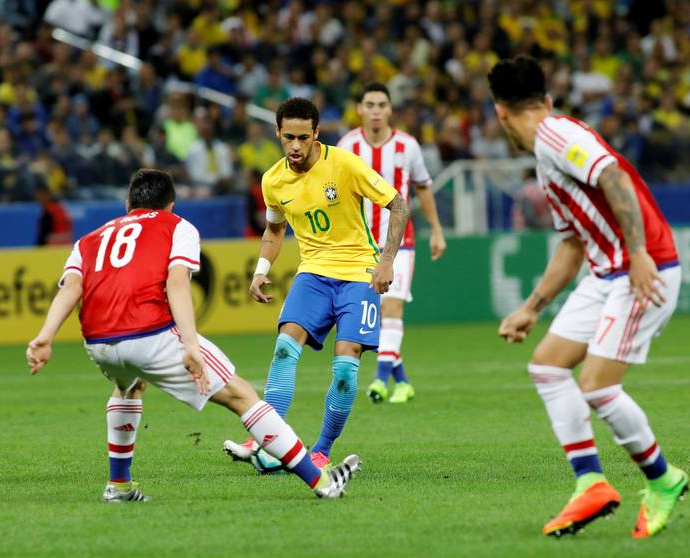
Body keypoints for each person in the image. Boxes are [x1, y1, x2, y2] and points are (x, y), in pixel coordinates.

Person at [25, 169, 361, 502]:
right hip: (149, 334)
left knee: (129, 387)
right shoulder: (177, 226)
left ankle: (119, 485)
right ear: (170, 205)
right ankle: (322, 481)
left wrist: (45, 336)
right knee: (241, 395)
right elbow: (177, 283)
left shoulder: (90, 239)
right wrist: (189, 345)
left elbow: (72, 288)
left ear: (128, 203)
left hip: (98, 342)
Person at [489, 56, 688, 539]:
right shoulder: (547, 155)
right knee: (548, 366)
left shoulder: (556, 135)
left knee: (598, 387)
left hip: (642, 270)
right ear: (546, 99)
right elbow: (573, 245)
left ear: (500, 112)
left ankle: (663, 479)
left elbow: (614, 178)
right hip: (606, 275)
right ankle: (591, 484)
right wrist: (531, 308)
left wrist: (638, 253)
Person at [223, 98, 410, 469]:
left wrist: (387, 260)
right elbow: (274, 230)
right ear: (278, 133)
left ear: (316, 134)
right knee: (283, 349)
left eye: (303, 138)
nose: (295, 146)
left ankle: (321, 451)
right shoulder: (273, 180)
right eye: (288, 137)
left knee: (345, 373)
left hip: (358, 274)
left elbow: (399, 205)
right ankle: (265, 441)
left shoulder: (344, 164)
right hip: (312, 274)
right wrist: (261, 269)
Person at [337, 83, 447, 404]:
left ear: (390, 109)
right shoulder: (347, 146)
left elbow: (423, 187)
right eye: (370, 104)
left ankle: (380, 380)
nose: (376, 111)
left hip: (400, 242)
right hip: (360, 244)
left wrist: (436, 230)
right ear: (360, 109)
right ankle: (403, 381)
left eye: (381, 105)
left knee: (392, 307)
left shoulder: (408, 146)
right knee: (372, 316)